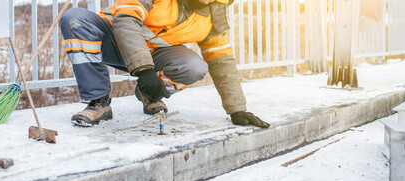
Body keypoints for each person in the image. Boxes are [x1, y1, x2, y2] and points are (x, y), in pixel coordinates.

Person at [60, 0, 270, 128]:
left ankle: (148, 95)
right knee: (74, 18)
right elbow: (125, 21)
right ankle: (99, 102)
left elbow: (221, 59)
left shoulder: (214, 17)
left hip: (155, 55)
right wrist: (144, 69)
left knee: (194, 66)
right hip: (113, 39)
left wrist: (237, 109)